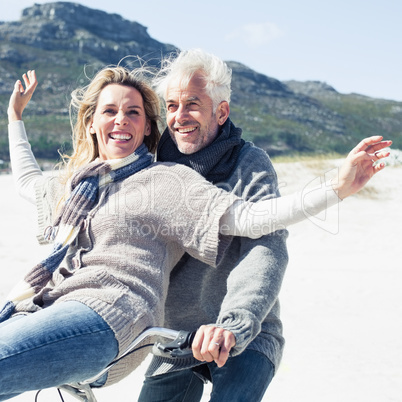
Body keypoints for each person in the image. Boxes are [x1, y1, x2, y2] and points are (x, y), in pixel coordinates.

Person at [0, 66, 389, 401]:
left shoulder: (169, 179)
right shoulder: (78, 185)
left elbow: (258, 227)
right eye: (110, 111)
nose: (121, 119)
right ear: (91, 122)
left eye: (133, 112)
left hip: (174, 322)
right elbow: (29, 181)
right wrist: (15, 116)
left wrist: (337, 187)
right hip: (168, 333)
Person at [138, 49, 391, 402]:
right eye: (172, 106)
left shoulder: (250, 163)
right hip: (178, 337)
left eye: (193, 104)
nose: (179, 117)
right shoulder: (153, 168)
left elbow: (265, 249)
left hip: (245, 332)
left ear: (221, 111)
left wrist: (234, 325)